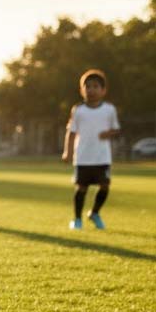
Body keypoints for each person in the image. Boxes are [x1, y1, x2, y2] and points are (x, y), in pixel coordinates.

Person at [62, 69, 120, 230]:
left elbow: (116, 129)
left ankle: (94, 212)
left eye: (95, 86)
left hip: (102, 157)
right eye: (87, 87)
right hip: (83, 157)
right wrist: (68, 152)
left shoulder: (109, 109)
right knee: (81, 187)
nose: (91, 90)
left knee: (105, 185)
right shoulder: (78, 110)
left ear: (103, 90)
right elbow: (71, 132)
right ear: (82, 90)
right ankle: (77, 219)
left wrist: (108, 133)